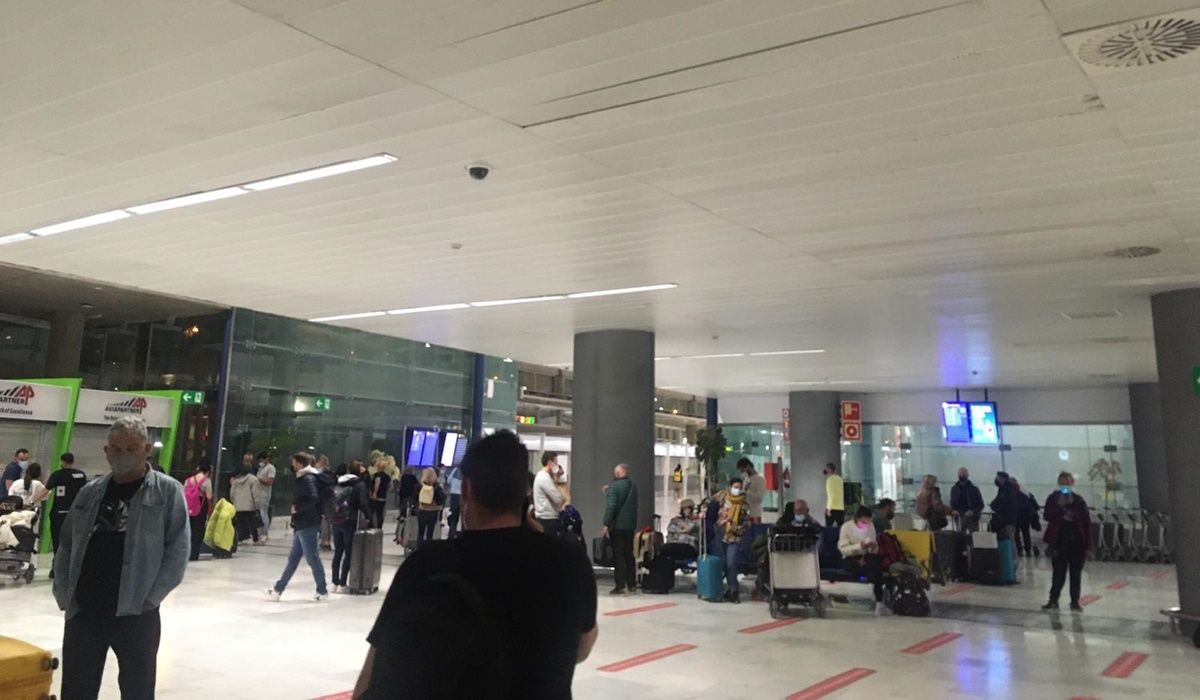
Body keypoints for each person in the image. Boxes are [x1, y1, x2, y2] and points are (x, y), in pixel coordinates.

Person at [353, 430, 597, 699]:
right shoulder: (568, 563)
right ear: (524, 493)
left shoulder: (427, 565)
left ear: (467, 489)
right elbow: (581, 647)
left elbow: (374, 669)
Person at [53, 416, 189, 699]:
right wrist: (65, 593)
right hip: (85, 610)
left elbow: (178, 549)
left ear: (146, 449)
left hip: (136, 611)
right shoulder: (90, 493)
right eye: (116, 448)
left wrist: (152, 598)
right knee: (77, 688)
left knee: (137, 688)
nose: (122, 455)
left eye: (131, 448)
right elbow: (66, 544)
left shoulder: (167, 491)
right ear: (106, 451)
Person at [264, 453, 329, 602]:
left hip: (308, 523)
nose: (292, 465)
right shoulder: (304, 477)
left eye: (294, 462)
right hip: (302, 523)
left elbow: (313, 497)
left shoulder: (308, 478)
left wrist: (298, 508)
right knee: (293, 559)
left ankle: (322, 590)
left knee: (312, 558)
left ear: (299, 463)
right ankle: (277, 589)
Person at [1042, 472, 1092, 612]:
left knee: (1076, 574)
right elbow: (1047, 515)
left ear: (1072, 484)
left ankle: (1075, 601)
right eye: (1063, 483)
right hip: (1059, 542)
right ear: (1059, 483)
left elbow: (1086, 523)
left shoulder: (1079, 500)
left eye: (1068, 483)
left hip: (1076, 542)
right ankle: (1053, 599)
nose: (1065, 486)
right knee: (1058, 573)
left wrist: (1087, 545)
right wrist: (1058, 506)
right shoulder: (1053, 498)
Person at [838, 506, 888, 616]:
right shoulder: (846, 528)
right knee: (871, 568)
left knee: (874, 563)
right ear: (857, 519)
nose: (865, 525)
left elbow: (874, 547)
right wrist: (859, 546)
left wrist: (872, 547)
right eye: (863, 522)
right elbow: (844, 549)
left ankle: (878, 598)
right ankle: (876, 593)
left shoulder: (870, 527)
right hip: (850, 558)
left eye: (868, 522)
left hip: (867, 556)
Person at [330, 461, 372, 593]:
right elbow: (362, 502)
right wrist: (369, 516)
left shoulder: (339, 482)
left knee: (337, 552)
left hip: (337, 520)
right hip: (350, 521)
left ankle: (334, 583)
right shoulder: (359, 484)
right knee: (348, 552)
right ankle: (343, 583)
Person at [45, 453, 87, 572]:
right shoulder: (81, 475)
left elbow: (46, 490)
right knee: (73, 541)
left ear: (62, 461)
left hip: (58, 513)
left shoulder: (57, 475)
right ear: (73, 461)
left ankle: (56, 568)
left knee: (57, 540)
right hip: (75, 514)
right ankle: (72, 567)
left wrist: (32, 502)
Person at [602, 463, 639, 596]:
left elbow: (612, 506)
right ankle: (632, 585)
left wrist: (606, 523)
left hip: (617, 526)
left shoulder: (614, 487)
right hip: (630, 526)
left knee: (619, 556)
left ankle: (620, 586)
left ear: (618, 473)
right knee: (629, 555)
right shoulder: (633, 486)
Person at [717, 476, 750, 603]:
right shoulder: (723, 500)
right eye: (735, 487)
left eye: (740, 488)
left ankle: (734, 591)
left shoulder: (744, 505)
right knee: (724, 564)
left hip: (735, 538)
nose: (737, 490)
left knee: (731, 564)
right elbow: (713, 511)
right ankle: (730, 590)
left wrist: (737, 528)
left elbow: (747, 522)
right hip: (721, 536)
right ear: (730, 487)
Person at [184, 462, 214, 562]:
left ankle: (186, 553)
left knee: (188, 531)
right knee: (198, 531)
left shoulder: (188, 480)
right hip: (200, 508)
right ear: (207, 472)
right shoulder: (206, 481)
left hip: (188, 508)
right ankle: (194, 554)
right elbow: (209, 496)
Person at [533, 451, 566, 536]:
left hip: (548, 519)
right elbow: (558, 499)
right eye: (556, 463)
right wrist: (556, 478)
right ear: (550, 463)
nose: (557, 467)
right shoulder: (544, 478)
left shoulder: (546, 477)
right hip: (547, 520)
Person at [230, 464, 262, 544]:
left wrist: (234, 502)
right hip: (249, 506)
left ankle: (241, 539)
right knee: (252, 522)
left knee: (240, 523)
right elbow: (255, 494)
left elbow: (232, 493)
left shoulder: (235, 481)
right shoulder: (253, 480)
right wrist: (257, 505)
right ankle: (255, 539)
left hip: (238, 506)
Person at [416, 467, 445, 546]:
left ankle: (419, 549)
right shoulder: (437, 487)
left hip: (422, 511)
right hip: (433, 512)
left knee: (420, 533)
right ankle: (428, 551)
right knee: (430, 533)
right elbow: (441, 499)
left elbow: (415, 498)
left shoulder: (419, 486)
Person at [1011, 478, 1040, 557]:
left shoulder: (1012, 495)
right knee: (1026, 534)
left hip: (1017, 517)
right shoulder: (1025, 493)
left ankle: (1020, 550)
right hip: (1025, 517)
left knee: (1017, 534)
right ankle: (1027, 550)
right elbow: (1036, 506)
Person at [949, 467, 984, 532]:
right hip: (959, 516)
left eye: (964, 474)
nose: (962, 476)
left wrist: (973, 512)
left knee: (974, 537)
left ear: (967, 475)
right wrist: (953, 510)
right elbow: (952, 503)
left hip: (972, 517)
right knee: (960, 537)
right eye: (960, 474)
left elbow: (981, 504)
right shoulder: (954, 489)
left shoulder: (974, 489)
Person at [990, 471, 1021, 537]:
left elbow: (1002, 502)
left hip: (1007, 519)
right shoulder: (1003, 489)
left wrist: (994, 506)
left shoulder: (1008, 489)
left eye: (997, 477)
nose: (996, 479)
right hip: (1005, 519)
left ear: (1002, 478)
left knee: (1010, 539)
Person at [255, 451, 276, 543]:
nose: (260, 462)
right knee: (259, 514)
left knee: (263, 513)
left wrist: (259, 480)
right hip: (258, 494)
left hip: (264, 494)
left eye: (261, 460)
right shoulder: (261, 469)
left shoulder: (270, 468)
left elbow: (270, 481)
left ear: (265, 459)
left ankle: (264, 533)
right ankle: (259, 533)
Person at [738, 458, 767, 524]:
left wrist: (747, 491)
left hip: (755, 514)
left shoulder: (760, 479)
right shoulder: (747, 479)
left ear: (748, 466)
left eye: (742, 469)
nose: (742, 472)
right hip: (746, 513)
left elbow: (759, 498)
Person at [369, 458, 392, 529]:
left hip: (376, 497)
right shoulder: (387, 476)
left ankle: (372, 526)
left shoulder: (376, 475)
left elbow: (377, 483)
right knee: (380, 513)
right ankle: (379, 527)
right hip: (383, 497)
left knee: (372, 512)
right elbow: (390, 486)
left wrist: (374, 493)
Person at [445, 462, 463, 538]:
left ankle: (451, 535)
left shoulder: (455, 470)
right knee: (463, 518)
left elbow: (448, 481)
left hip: (454, 496)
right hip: (463, 496)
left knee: (454, 517)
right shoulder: (467, 472)